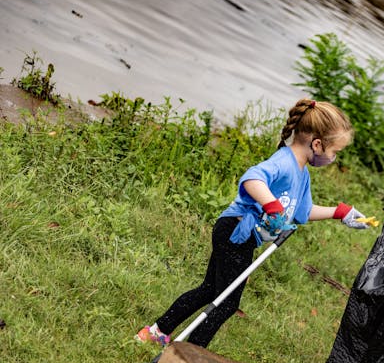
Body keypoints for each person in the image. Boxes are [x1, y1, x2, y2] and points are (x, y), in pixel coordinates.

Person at [135, 98, 370, 348]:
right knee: (226, 303)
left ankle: (155, 332)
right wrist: (271, 204)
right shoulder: (284, 162)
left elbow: (302, 210)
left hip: (239, 235)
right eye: (335, 152)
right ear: (317, 144)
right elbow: (252, 178)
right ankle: (188, 354)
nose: (334, 158)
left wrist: (340, 212)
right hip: (235, 231)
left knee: (210, 290)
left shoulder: (302, 175)